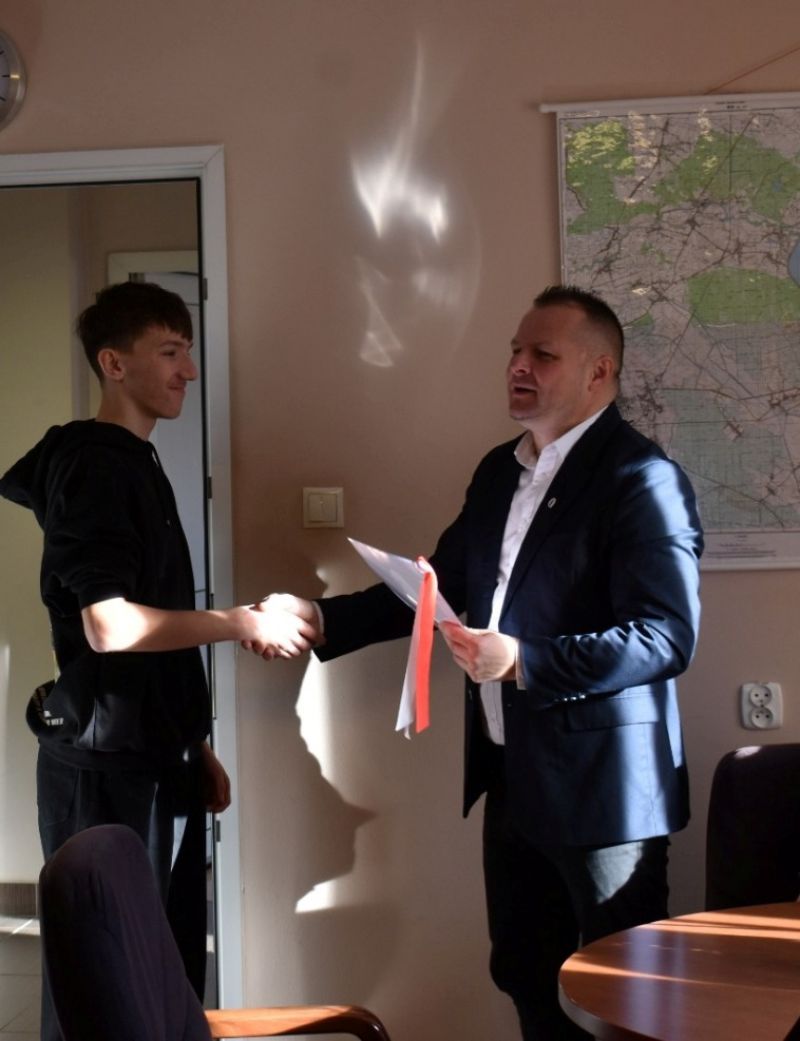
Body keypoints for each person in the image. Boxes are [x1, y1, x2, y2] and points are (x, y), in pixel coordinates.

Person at [259, 286, 704, 1040]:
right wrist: (324, 617)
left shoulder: (641, 477)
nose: (518, 366)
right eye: (515, 351)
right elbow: (441, 589)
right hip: (513, 777)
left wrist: (526, 660)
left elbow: (666, 636)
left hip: (607, 796)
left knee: (626, 1002)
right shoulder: (500, 470)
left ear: (599, 372)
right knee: (525, 975)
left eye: (543, 354)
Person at [0, 281, 314, 1041]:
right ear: (114, 363)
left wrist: (192, 743)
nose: (189, 371)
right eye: (171, 352)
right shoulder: (94, 466)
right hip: (104, 768)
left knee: (160, 976)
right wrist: (242, 622)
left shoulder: (135, 461)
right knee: (104, 989)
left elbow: (149, 627)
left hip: (153, 755)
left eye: (187, 351)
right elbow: (109, 626)